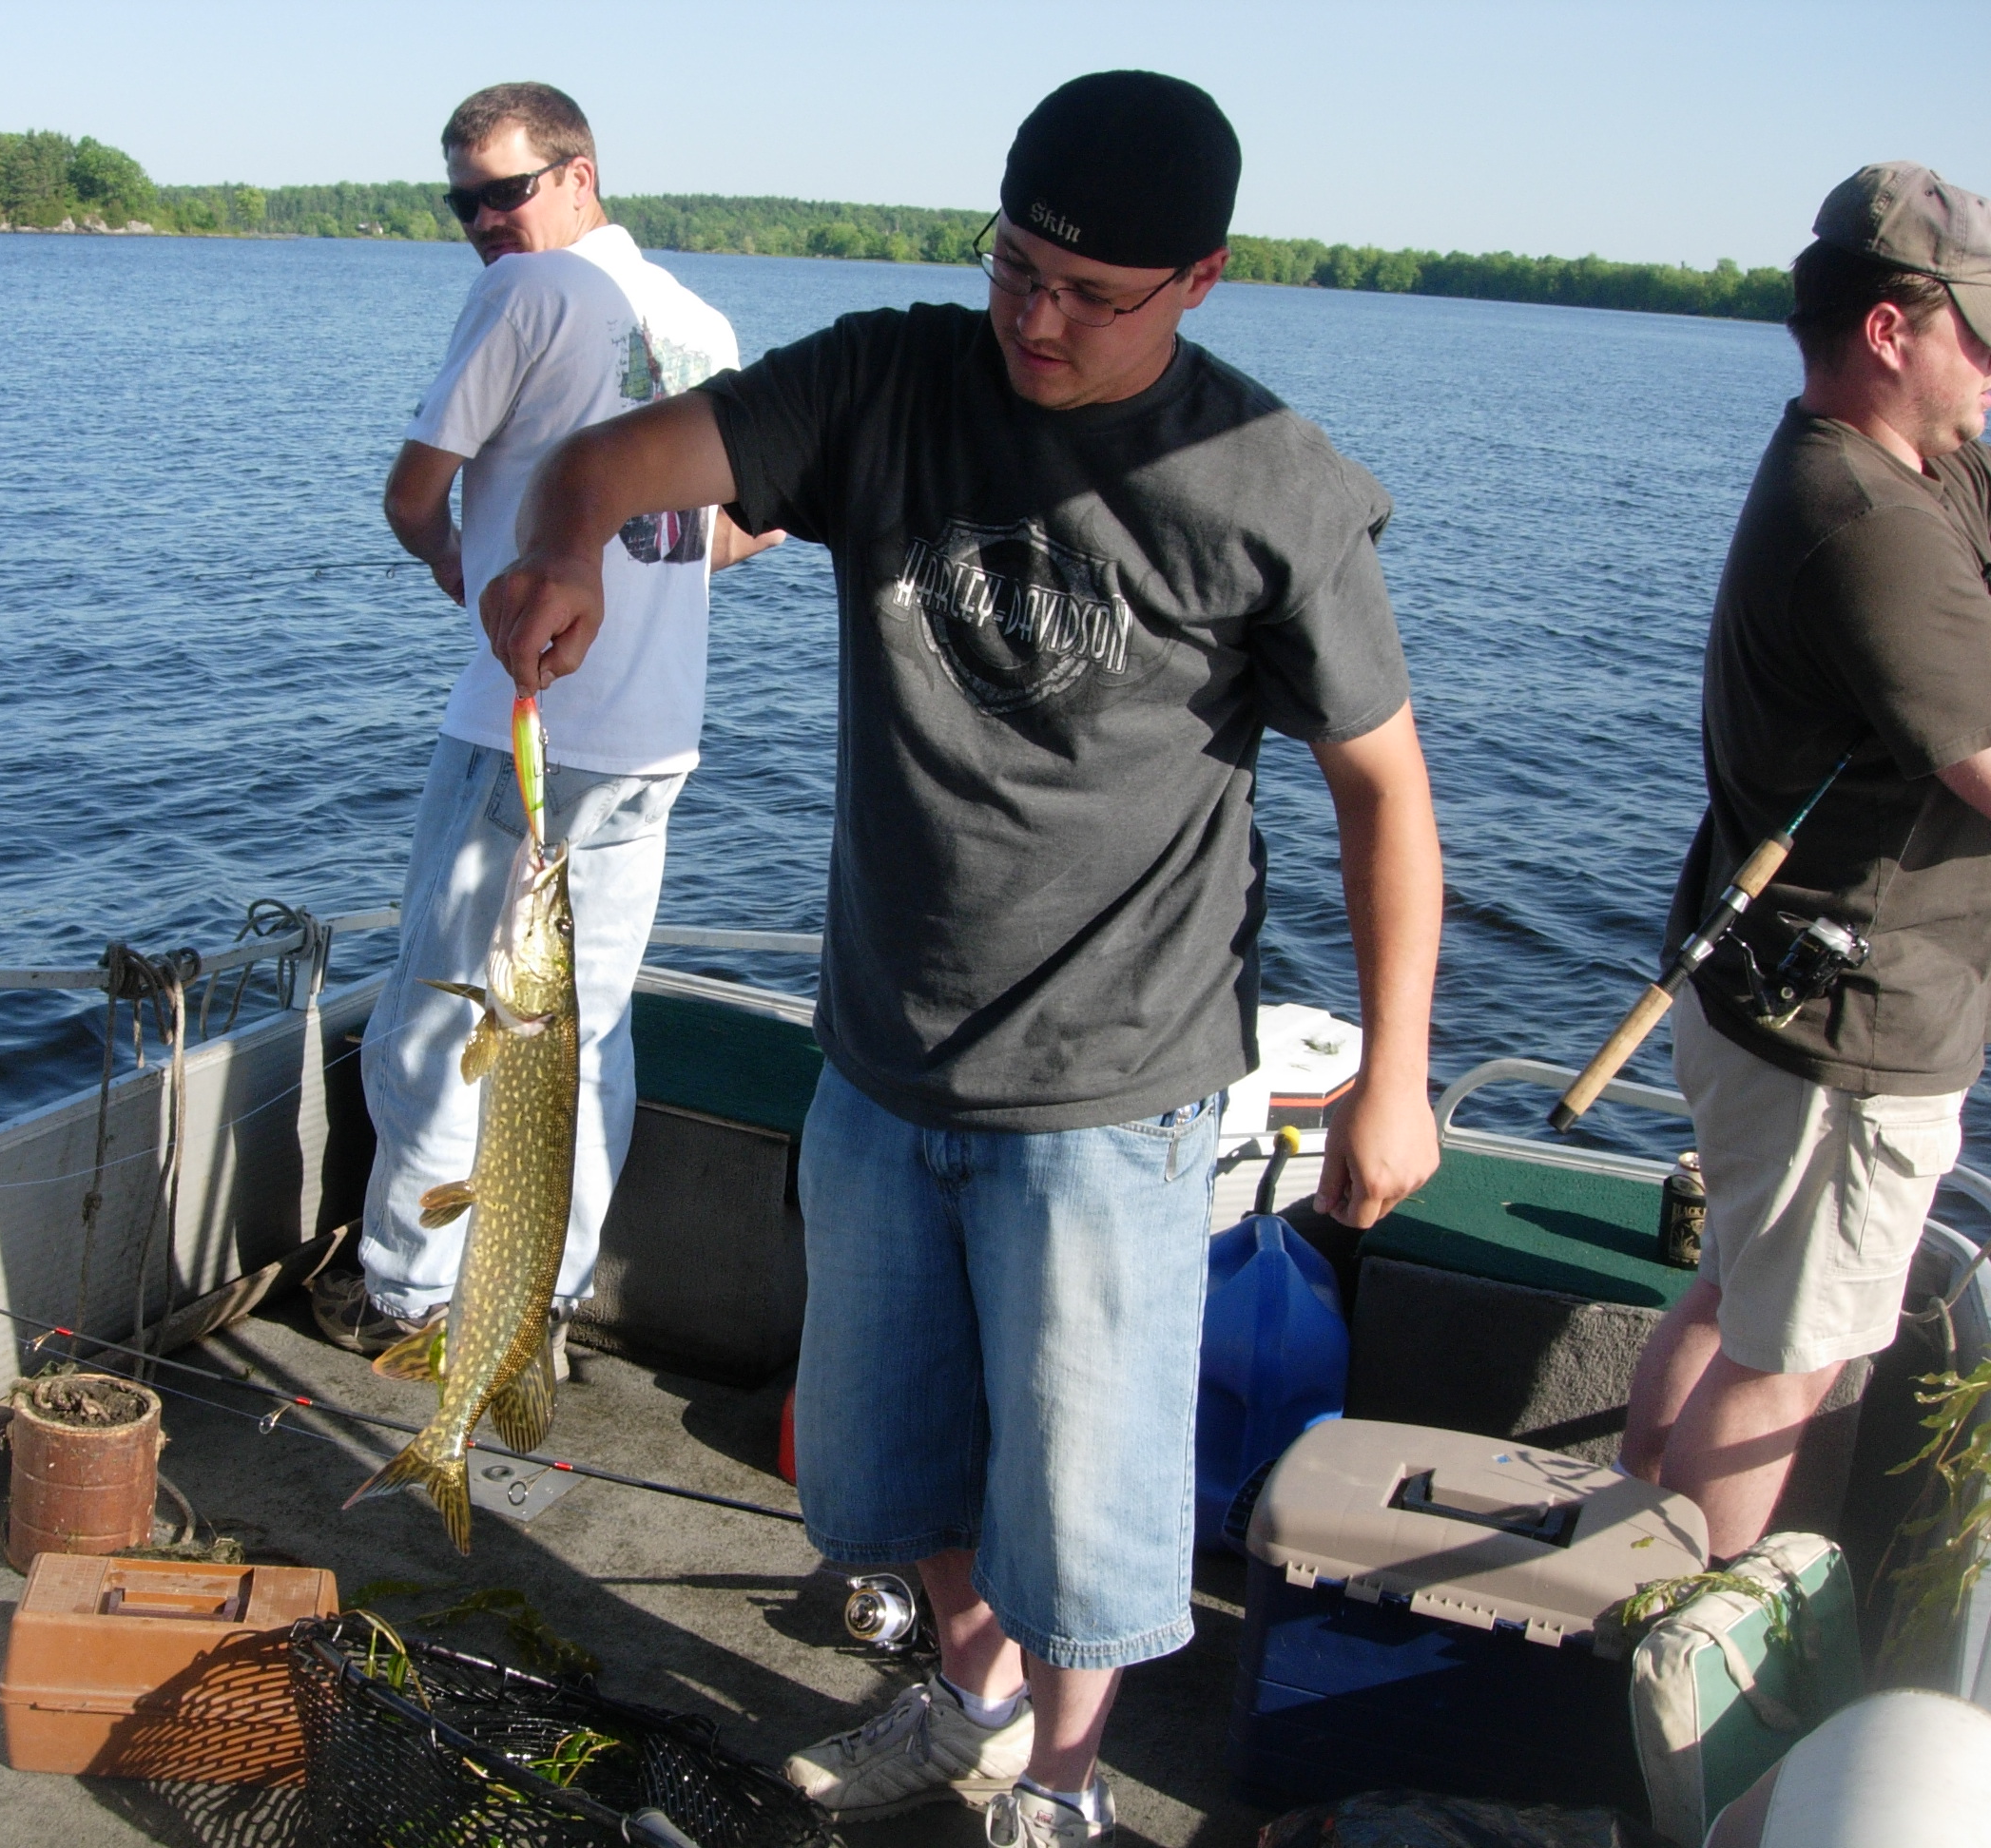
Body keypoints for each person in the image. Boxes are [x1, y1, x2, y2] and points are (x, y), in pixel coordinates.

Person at [478, 70, 1442, 1848]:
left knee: (1087, 1507)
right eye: (1014, 269)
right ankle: (969, 1695)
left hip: (1115, 1090)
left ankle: (1059, 1788)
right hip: (879, 1058)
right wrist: (564, 551)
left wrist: (1398, 1076)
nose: (1037, 321)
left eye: (1092, 295)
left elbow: (1384, 794)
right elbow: (604, 464)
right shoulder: (887, 381)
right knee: (891, 1460)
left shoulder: (1272, 487)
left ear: (1201, 282)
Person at [313, 83, 776, 1361]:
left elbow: (413, 497)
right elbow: (730, 533)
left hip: (521, 729)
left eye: (504, 193)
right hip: (655, 746)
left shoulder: (530, 291)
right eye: (459, 202)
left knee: (438, 1021)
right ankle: (546, 1297)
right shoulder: (699, 322)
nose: (481, 223)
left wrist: (464, 570)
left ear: (580, 175)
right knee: (586, 1031)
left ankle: (411, 1296)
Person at [1620, 163, 1991, 1560]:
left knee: (1736, 1296)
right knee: (1790, 1360)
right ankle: (1674, 1622)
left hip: (1778, 1003)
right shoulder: (1871, 521)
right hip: (1846, 1031)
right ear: (1893, 329)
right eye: (1982, 337)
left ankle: (1626, 1547)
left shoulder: (1903, 468)